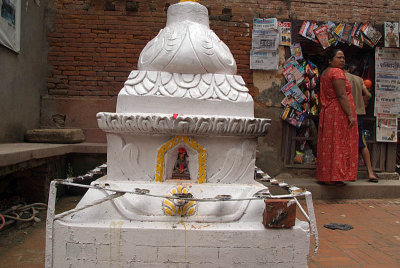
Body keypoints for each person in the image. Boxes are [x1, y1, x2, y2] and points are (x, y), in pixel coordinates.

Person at [316, 49, 358, 186]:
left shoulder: (325, 73)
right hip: (338, 112)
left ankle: (327, 176)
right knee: (339, 142)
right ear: (330, 60)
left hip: (329, 112)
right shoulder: (336, 72)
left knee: (329, 143)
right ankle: (336, 176)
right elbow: (341, 95)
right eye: (339, 57)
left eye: (344, 58)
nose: (342, 60)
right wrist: (350, 115)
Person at [344, 64, 379, 182]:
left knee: (344, 143)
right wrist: (362, 103)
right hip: (358, 114)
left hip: (344, 114)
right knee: (362, 143)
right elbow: (368, 94)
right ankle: (370, 172)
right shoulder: (359, 80)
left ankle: (345, 171)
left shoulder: (340, 77)